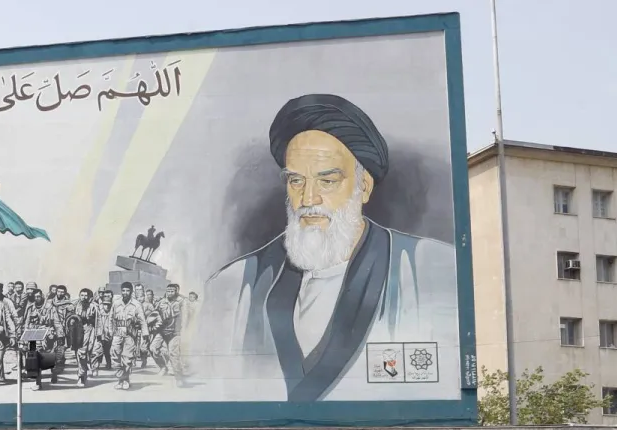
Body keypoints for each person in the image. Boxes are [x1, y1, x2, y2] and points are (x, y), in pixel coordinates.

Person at [195, 93, 458, 402]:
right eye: (296, 181)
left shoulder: (431, 269)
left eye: (327, 181)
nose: (308, 199)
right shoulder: (233, 285)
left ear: (364, 187)